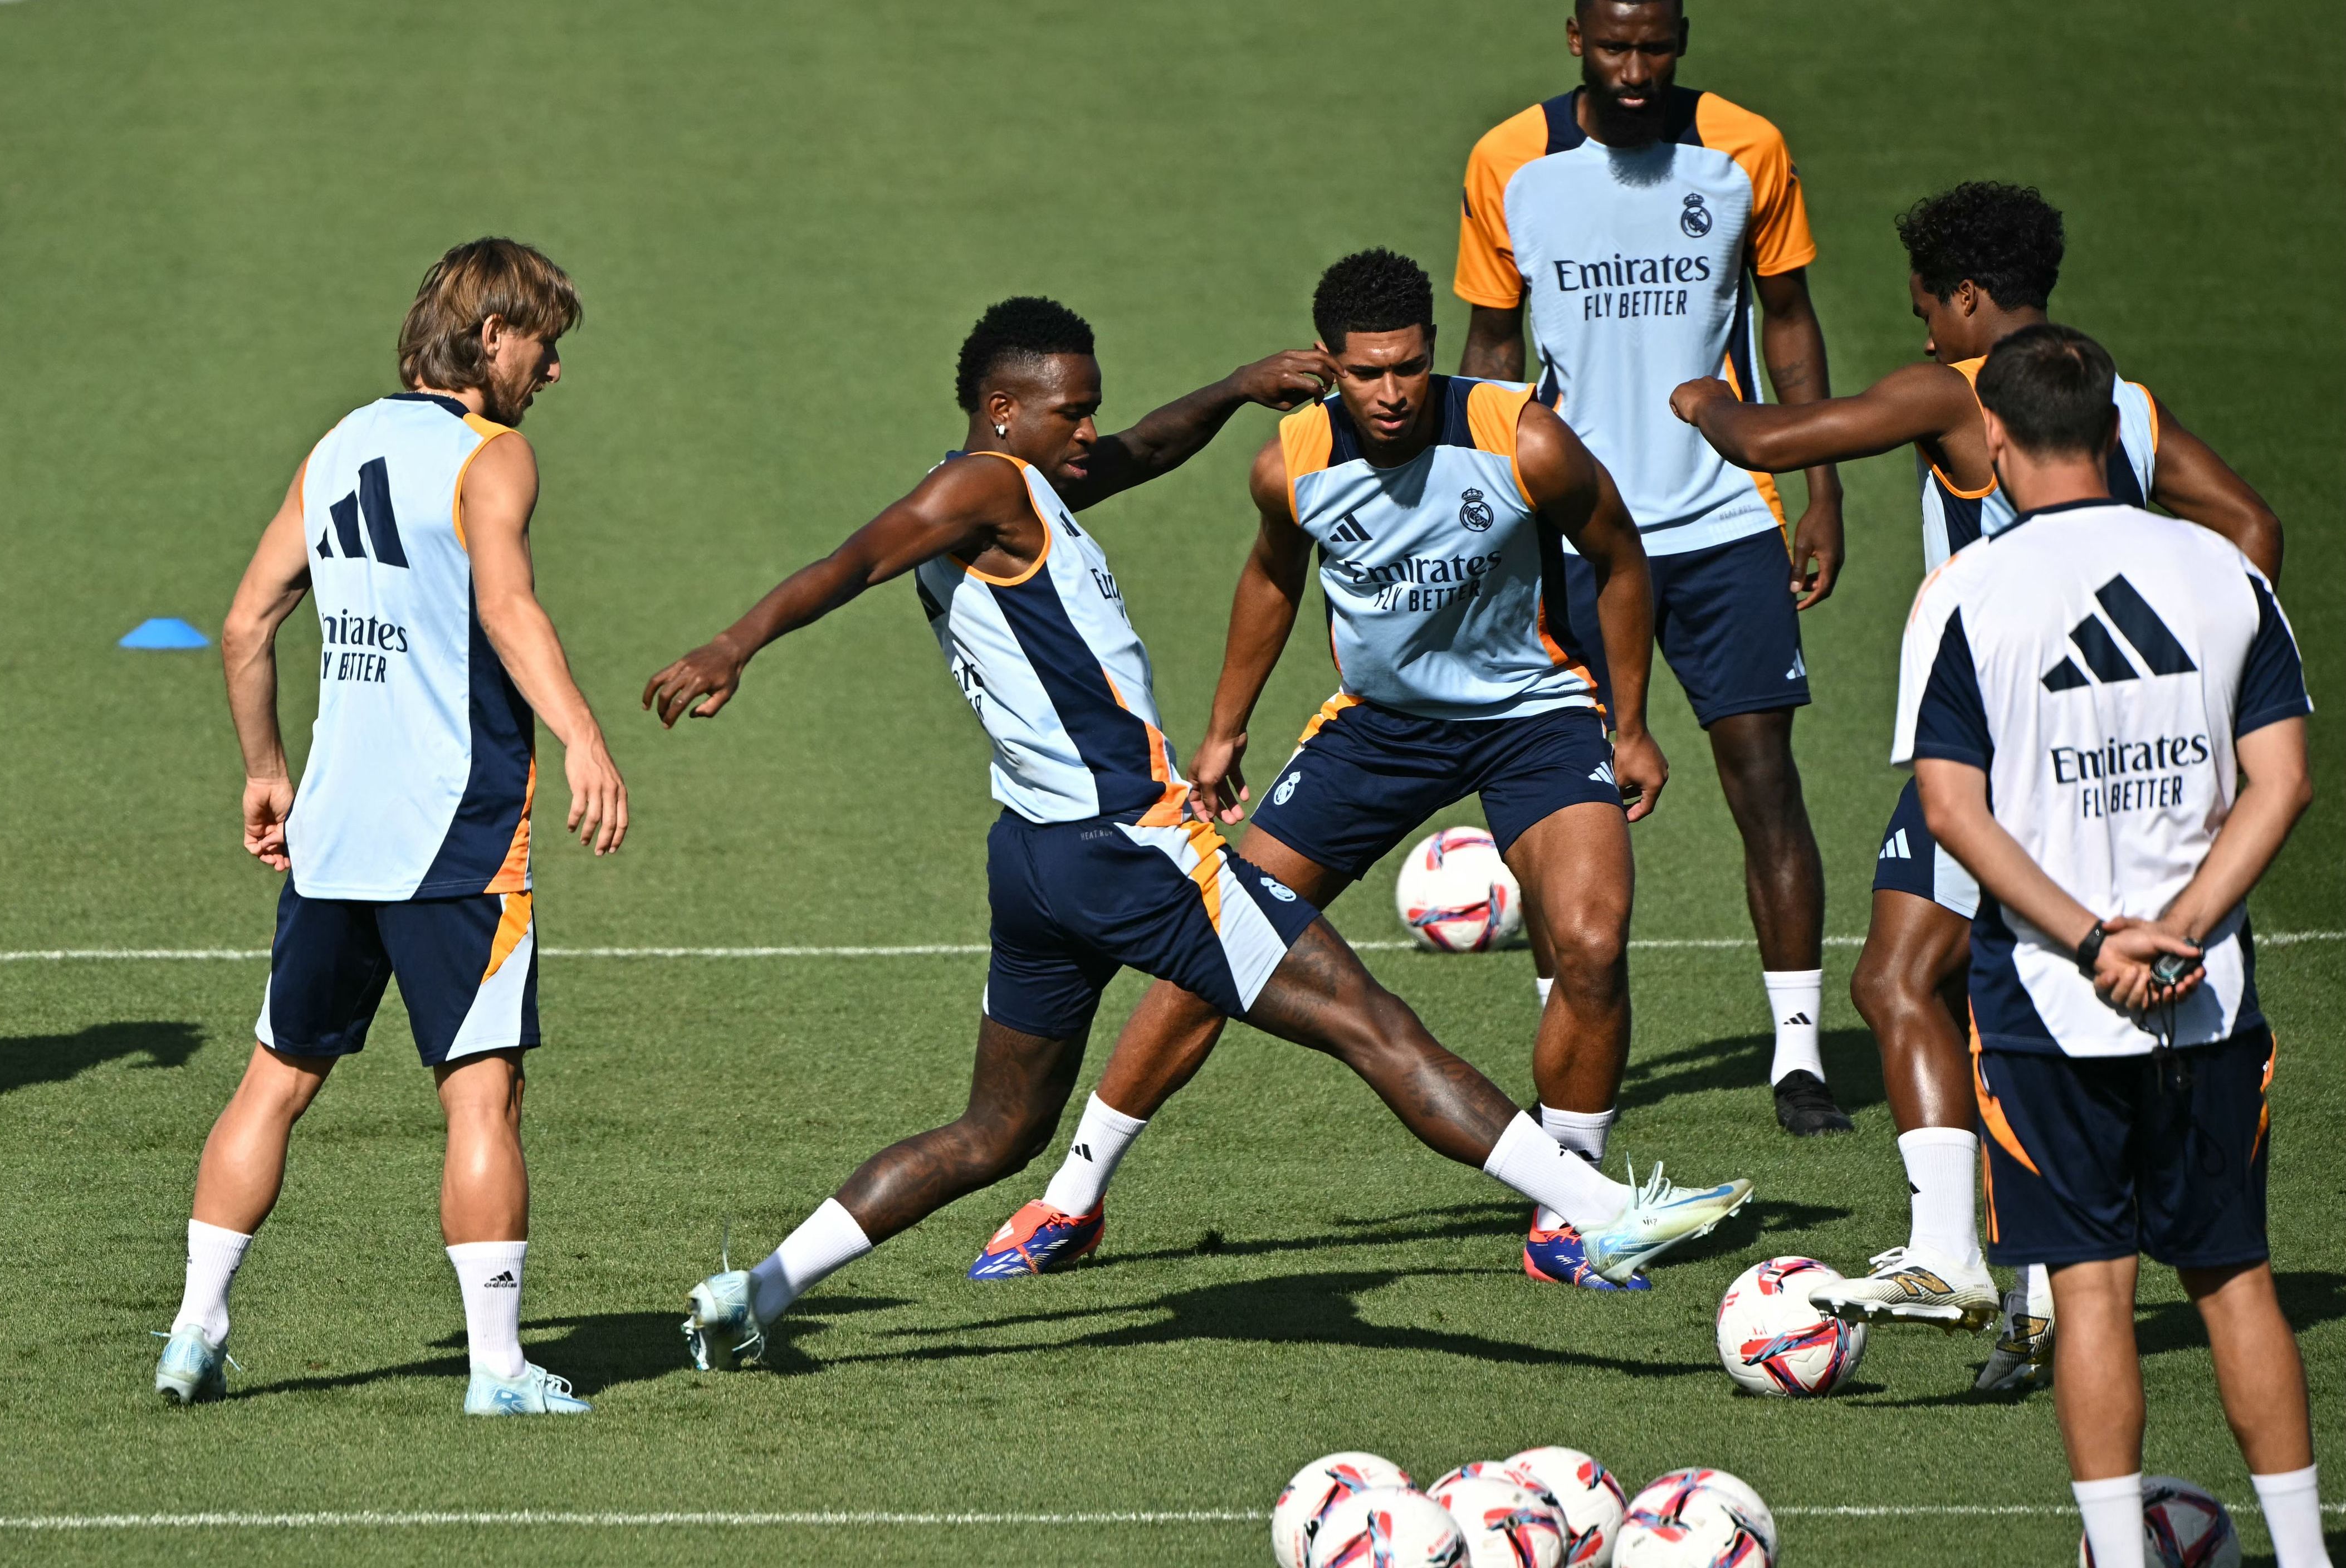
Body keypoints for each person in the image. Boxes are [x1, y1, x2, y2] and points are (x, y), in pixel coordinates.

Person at [643, 297, 1751, 1371]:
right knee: (1371, 1023)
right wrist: (735, 644)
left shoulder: (1026, 482)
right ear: (998, 409)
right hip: (1135, 848)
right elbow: (854, 558)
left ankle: (762, 1292)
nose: (1090, 432)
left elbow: (1141, 451)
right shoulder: (983, 486)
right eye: (1070, 411)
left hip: (1034, 857)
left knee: (995, 1128)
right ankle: (1601, 1208)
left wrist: (1230, 389)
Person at [1673, 182, 2281, 1386]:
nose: (1922, 333)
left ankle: (1954, 1252)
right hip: (2113, 754)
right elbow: (2253, 529)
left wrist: (1692, 390)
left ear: (1965, 296)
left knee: (1897, 978)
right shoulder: (2116, 399)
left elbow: (1767, 444)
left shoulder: (1962, 391)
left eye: (1924, 308)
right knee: (1974, 992)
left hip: (1994, 743)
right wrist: (2202, 675)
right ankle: (2044, 1290)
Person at [977, 250, 1673, 1291]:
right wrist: (1224, 731)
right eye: (1365, 373)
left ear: (1430, 352)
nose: (1390, 394)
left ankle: (1572, 1202)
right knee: (1213, 939)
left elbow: (1619, 556)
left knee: (1590, 938)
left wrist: (1632, 722)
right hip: (1379, 730)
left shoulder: (1522, 438)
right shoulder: (1291, 462)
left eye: (1407, 368)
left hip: (1533, 717)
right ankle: (1074, 1196)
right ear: (1330, 367)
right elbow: (1272, 578)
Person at [153, 240, 627, 1418]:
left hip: (336, 829)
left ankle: (192, 1331)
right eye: (544, 344)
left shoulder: (338, 446)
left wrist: (269, 772)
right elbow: (505, 603)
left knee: (275, 1078)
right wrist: (581, 734)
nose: (551, 373)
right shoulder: (491, 457)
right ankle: (498, 1368)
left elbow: (246, 624)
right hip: (455, 833)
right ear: (492, 337)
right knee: (481, 1091)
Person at [1898, 324, 2323, 1568]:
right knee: (2234, 1274)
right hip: (2206, 996)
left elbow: (1951, 809)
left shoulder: (1965, 593)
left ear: (1994, 442)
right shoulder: (2222, 571)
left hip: (2047, 998)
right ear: (2116, 437)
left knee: (2090, 1287)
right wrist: (2181, 929)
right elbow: (2282, 781)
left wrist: (2090, 939)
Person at [1454, 0, 1848, 1134]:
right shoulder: (1509, 162)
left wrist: (1820, 489)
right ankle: (1562, 1032)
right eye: (1615, 47)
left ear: (1682, 38)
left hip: (1726, 513)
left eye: (1657, 47)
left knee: (1762, 774)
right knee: (1558, 788)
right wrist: (1486, 516)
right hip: (1575, 521)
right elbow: (1488, 348)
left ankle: (1798, 1054)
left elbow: (1788, 320)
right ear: (1573, 36)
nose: (1636, 71)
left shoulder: (1745, 147)